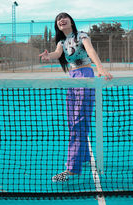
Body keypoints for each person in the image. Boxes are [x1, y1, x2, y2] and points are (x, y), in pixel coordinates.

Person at [39, 12, 113, 182]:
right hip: (72, 79)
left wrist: (100, 68)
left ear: (71, 21)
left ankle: (72, 169)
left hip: (85, 76)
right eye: (58, 19)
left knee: (78, 122)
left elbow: (91, 50)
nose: (61, 20)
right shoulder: (61, 42)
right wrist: (47, 55)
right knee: (73, 121)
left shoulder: (81, 35)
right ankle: (85, 157)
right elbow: (58, 54)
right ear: (57, 25)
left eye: (64, 17)